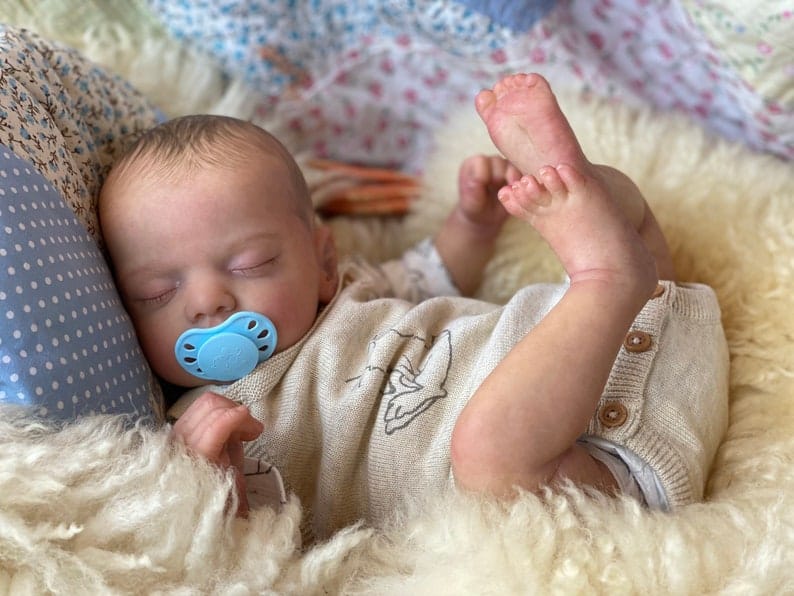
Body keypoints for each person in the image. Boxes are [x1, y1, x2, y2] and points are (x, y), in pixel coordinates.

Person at [98, 73, 729, 538]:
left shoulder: (353, 289)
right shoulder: (205, 429)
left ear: (322, 262)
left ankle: (576, 189)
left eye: (249, 264)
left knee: (624, 229)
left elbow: (437, 271)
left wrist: (471, 224)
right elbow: (248, 553)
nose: (208, 300)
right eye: (158, 293)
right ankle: (605, 270)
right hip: (587, 474)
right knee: (488, 454)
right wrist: (204, 483)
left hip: (621, 337)